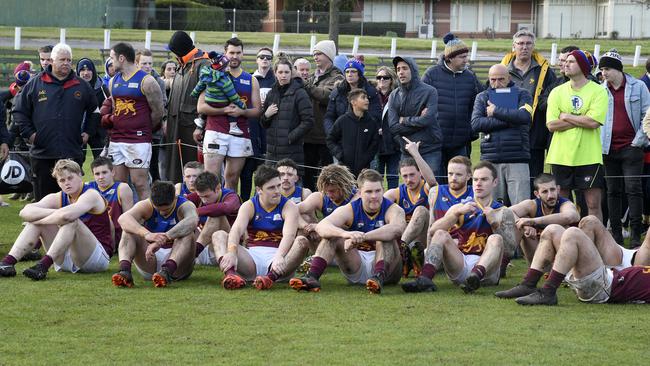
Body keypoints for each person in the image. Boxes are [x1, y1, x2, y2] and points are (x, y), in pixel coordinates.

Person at [402, 161, 514, 294]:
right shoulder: (459, 207)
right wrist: (456, 214)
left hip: (487, 272)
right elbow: (433, 230)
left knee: (496, 238)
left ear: (495, 182)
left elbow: (509, 251)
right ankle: (425, 279)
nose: (478, 183)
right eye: (476, 179)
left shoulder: (503, 211)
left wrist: (494, 223)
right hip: (460, 263)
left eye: (484, 179)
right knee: (440, 234)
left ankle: (475, 277)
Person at [290, 169, 406, 294]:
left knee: (385, 237)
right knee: (333, 234)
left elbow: (397, 229)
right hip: (356, 263)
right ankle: (311, 277)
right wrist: (345, 234)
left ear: (383, 190)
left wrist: (363, 236)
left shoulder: (393, 209)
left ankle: (378, 277)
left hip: (388, 271)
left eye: (378, 191)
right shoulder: (350, 208)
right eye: (369, 192)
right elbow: (322, 226)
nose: (374, 196)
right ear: (360, 192)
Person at [0, 160, 113, 280]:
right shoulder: (58, 197)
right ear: (58, 183)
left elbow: (67, 216)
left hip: (96, 259)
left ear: (80, 175)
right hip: (67, 257)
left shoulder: (91, 194)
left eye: (70, 178)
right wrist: (52, 215)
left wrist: (41, 220)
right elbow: (25, 211)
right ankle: (7, 263)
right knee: (38, 220)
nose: (67, 183)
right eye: (62, 180)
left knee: (71, 220)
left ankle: (43, 266)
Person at [13, 43, 98, 201]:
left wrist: (87, 133)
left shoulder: (82, 85)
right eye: (62, 59)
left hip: (71, 152)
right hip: (43, 154)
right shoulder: (35, 84)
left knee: (71, 201)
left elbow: (95, 111)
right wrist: (31, 136)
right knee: (44, 202)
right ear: (51, 61)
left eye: (69, 60)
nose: (66, 63)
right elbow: (19, 112)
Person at [501, 223, 650, 305]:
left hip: (605, 287)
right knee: (552, 230)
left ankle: (548, 292)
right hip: (605, 276)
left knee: (573, 233)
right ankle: (528, 284)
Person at [211, 165, 309, 290]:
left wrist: (279, 256)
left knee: (301, 241)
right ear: (259, 190)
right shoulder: (249, 205)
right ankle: (231, 276)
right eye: (271, 188)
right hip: (252, 257)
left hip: (280, 257)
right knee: (218, 235)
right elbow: (236, 230)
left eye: (278, 186)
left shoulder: (289, 206)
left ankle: (270, 278)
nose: (277, 191)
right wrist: (231, 252)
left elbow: (289, 235)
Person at [546, 50, 608, 222]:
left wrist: (566, 116)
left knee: (593, 205)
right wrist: (583, 118)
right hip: (561, 156)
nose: (565, 64)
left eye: (571, 61)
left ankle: (595, 243)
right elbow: (551, 125)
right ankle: (563, 241)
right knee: (561, 204)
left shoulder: (598, 92)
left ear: (583, 66)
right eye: (565, 61)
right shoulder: (556, 92)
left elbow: (593, 122)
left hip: (589, 156)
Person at [196, 38, 262, 193]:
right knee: (211, 178)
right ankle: (209, 214)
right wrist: (224, 110)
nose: (235, 56)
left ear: (243, 55)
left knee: (232, 178)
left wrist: (242, 112)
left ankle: (228, 213)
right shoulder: (213, 74)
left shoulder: (251, 79)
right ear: (225, 54)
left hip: (241, 133)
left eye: (238, 53)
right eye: (231, 52)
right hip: (216, 130)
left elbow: (258, 110)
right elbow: (201, 106)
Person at [101, 42, 165, 201]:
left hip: (138, 140)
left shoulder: (147, 81)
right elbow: (116, 109)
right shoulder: (113, 81)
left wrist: (142, 127)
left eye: (112, 58)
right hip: (117, 140)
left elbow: (158, 111)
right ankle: (122, 221)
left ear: (121, 58)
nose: (110, 61)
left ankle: (148, 220)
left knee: (140, 183)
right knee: (118, 185)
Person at [599, 49, 650, 247]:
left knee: (633, 189)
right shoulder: (600, 89)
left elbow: (648, 115)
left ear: (618, 69)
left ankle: (636, 235)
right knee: (612, 191)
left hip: (632, 147)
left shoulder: (639, 87)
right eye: (602, 69)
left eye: (608, 69)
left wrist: (638, 141)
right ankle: (617, 235)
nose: (604, 73)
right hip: (608, 148)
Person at [112, 180, 199, 288]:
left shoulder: (185, 205)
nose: (162, 213)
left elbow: (193, 220)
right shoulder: (146, 205)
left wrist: (165, 237)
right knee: (128, 230)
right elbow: (123, 219)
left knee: (188, 233)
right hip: (149, 258)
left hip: (177, 264)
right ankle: (124, 271)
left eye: (167, 209)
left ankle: (167, 272)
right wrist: (146, 234)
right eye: (158, 210)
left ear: (175, 198)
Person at [421, 33, 482, 177]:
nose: (466, 60)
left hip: (461, 141)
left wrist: (471, 131)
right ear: (450, 58)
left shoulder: (470, 76)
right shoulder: (431, 74)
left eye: (466, 56)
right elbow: (420, 100)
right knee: (437, 181)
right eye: (462, 57)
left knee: (461, 180)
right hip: (435, 141)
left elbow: (479, 100)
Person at [471, 64, 533, 205]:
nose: (497, 84)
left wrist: (496, 112)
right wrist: (511, 119)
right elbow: (476, 124)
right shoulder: (482, 97)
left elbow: (525, 117)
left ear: (509, 78)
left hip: (517, 158)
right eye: (493, 80)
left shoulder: (523, 94)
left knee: (521, 207)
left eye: (501, 79)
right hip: (491, 158)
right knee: (492, 207)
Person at [501, 30, 557, 184]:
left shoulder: (545, 72)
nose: (524, 47)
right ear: (513, 46)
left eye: (528, 43)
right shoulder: (503, 70)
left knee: (534, 179)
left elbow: (551, 99)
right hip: (508, 134)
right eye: (520, 43)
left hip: (535, 135)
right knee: (509, 180)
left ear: (534, 46)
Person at [383, 140, 437, 277]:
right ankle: (404, 256)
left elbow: (432, 182)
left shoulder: (427, 188)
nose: (409, 179)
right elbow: (376, 207)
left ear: (420, 173)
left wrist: (416, 154)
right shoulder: (396, 193)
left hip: (423, 241)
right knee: (390, 209)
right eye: (405, 176)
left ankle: (402, 252)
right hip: (403, 237)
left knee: (421, 211)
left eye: (412, 175)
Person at [165, 30, 211, 183]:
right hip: (175, 126)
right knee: (175, 170)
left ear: (180, 50)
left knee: (193, 171)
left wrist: (201, 125)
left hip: (191, 129)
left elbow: (209, 97)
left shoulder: (203, 64)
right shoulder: (182, 64)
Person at [386, 56, 442, 174]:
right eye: (398, 69)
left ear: (413, 70)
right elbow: (393, 127)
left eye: (405, 68)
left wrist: (405, 120)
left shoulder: (430, 92)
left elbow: (428, 120)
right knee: (409, 188)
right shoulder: (393, 96)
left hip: (429, 149)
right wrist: (419, 120)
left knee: (431, 187)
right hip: (406, 151)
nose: (401, 72)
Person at [509, 173, 580, 263]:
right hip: (537, 256)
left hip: (562, 260)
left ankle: (554, 273)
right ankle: (502, 266)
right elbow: (507, 212)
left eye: (552, 190)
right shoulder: (532, 205)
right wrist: (525, 225)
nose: (550, 195)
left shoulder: (565, 204)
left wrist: (532, 221)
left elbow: (569, 217)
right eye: (545, 192)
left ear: (558, 189)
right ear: (537, 194)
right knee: (519, 224)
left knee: (561, 229)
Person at [302, 40, 344, 191]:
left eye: (319, 53)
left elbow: (326, 95)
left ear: (328, 55)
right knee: (308, 174)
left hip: (326, 136)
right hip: (309, 135)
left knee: (329, 176)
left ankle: (328, 204)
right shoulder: (312, 77)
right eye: (314, 54)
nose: (315, 57)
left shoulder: (337, 77)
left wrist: (305, 84)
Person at [260, 57, 314, 169]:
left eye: (286, 72)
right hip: (271, 153)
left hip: (291, 152)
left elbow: (308, 121)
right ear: (275, 73)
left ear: (291, 73)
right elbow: (263, 123)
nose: (283, 75)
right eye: (280, 72)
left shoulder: (300, 93)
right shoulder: (271, 93)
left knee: (291, 184)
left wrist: (290, 137)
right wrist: (266, 115)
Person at [188, 171, 241, 266]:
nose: (204, 200)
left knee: (217, 215)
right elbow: (180, 204)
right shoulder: (199, 195)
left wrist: (195, 212)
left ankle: (192, 254)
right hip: (204, 247)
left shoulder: (231, 196)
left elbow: (226, 208)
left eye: (207, 196)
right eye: (201, 197)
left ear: (218, 188)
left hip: (225, 247)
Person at [326, 88, 380, 177]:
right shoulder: (342, 121)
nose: (367, 100)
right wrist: (340, 154)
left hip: (364, 171)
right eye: (363, 98)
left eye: (367, 98)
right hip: (344, 171)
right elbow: (330, 140)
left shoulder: (371, 122)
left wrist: (367, 158)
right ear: (353, 102)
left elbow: (375, 143)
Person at [191, 51, 246, 137]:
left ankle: (201, 120)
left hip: (209, 100)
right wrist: (241, 104)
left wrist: (194, 93)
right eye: (227, 65)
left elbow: (199, 86)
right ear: (222, 67)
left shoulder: (206, 75)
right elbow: (232, 95)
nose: (228, 67)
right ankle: (233, 126)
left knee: (208, 104)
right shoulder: (225, 80)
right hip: (221, 102)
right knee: (231, 104)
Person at [324, 59, 381, 136]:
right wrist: (332, 132)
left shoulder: (370, 92)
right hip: (340, 135)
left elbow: (375, 116)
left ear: (360, 74)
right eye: (347, 72)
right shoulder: (338, 92)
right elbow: (329, 116)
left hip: (363, 135)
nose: (349, 74)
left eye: (353, 71)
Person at [136, 49, 168, 183]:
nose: (148, 66)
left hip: (153, 131)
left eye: (150, 63)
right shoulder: (133, 79)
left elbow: (163, 103)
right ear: (137, 63)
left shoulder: (158, 81)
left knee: (153, 167)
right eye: (144, 63)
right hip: (135, 131)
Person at [87, 156, 134, 245]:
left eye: (104, 172)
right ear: (93, 175)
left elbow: (130, 219)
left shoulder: (122, 188)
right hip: (93, 235)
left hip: (115, 237)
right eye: (97, 174)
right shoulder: (88, 188)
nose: (101, 177)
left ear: (112, 172)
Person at [372, 66, 400, 189]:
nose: (381, 80)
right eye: (379, 77)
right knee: (375, 176)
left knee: (393, 176)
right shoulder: (371, 96)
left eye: (385, 77)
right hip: (375, 143)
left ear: (391, 79)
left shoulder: (398, 95)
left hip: (393, 142)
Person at [76, 58, 109, 161]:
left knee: (102, 161)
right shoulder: (73, 88)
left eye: (89, 70)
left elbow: (110, 107)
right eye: (82, 70)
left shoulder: (102, 87)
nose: (86, 73)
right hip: (79, 131)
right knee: (77, 162)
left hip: (99, 132)